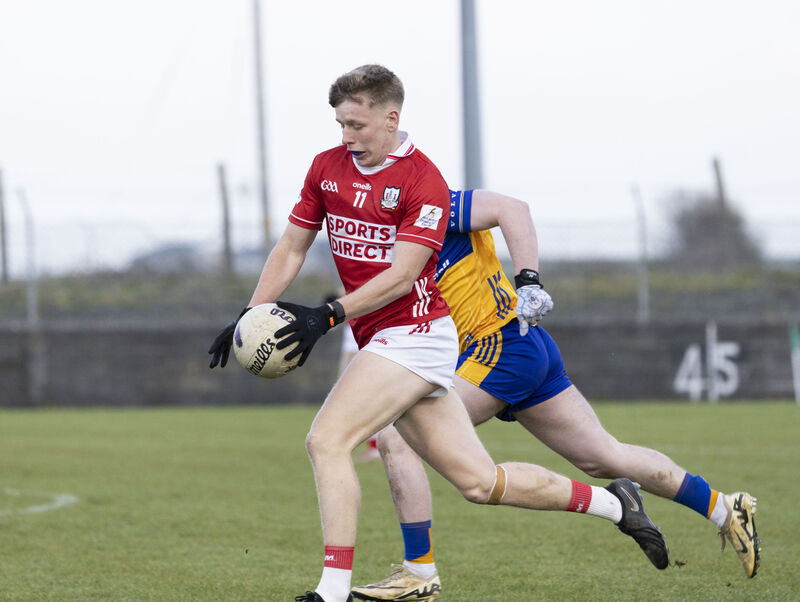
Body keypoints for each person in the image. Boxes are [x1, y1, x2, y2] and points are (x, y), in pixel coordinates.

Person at [208, 65, 668, 602]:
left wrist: (326, 316)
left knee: (326, 440)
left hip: (415, 335)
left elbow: (402, 276)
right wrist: (251, 313)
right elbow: (291, 247)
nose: (347, 136)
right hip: (386, 338)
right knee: (480, 483)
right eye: (340, 124)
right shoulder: (325, 168)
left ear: (390, 119)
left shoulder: (421, 180)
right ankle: (616, 504)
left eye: (357, 124)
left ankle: (332, 591)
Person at [350, 189, 760, 601]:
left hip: (500, 345)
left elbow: (512, 209)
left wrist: (528, 281)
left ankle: (418, 573)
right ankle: (724, 508)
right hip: (518, 347)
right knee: (604, 456)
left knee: (398, 437)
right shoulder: (375, 242)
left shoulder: (430, 204)